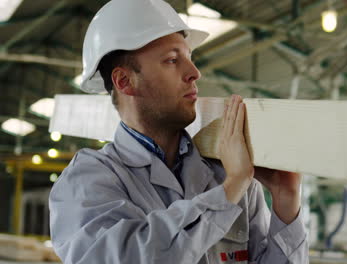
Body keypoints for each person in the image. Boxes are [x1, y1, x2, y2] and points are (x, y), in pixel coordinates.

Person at [48, 0, 308, 263]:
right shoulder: (87, 182)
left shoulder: (230, 171)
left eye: (189, 58)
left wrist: (286, 199)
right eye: (172, 60)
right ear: (124, 81)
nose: (194, 73)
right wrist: (229, 192)